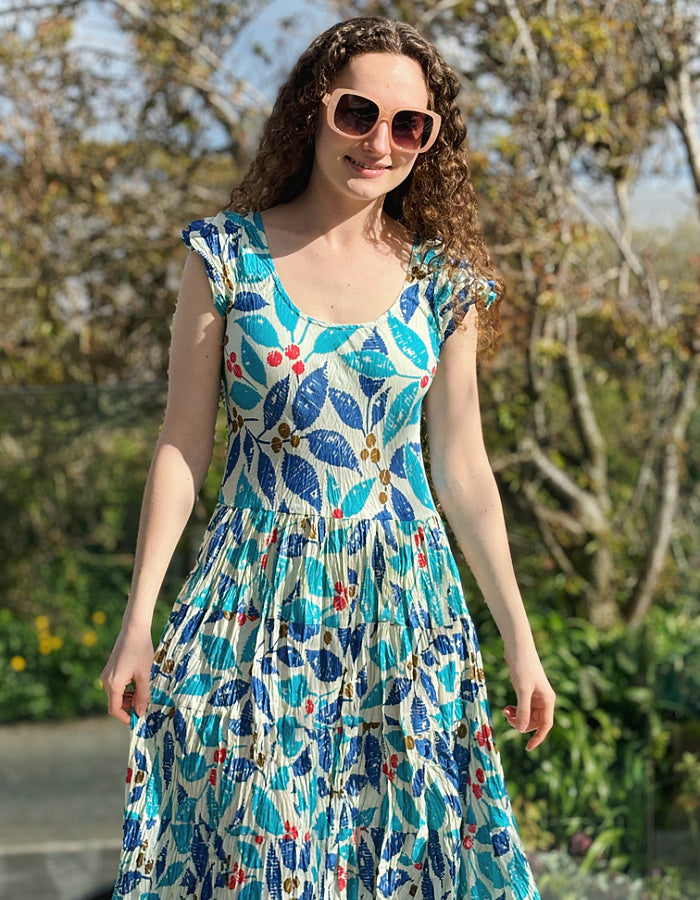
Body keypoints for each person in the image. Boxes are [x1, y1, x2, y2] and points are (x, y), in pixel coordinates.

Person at [101, 15, 555, 900]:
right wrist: (138, 620)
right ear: (314, 111)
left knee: (406, 860)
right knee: (263, 863)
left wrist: (520, 641)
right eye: (358, 113)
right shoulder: (225, 257)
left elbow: (463, 468)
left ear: (429, 141)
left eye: (408, 125)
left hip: (405, 615)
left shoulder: (443, 285)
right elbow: (183, 443)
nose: (378, 141)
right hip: (254, 607)